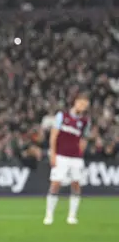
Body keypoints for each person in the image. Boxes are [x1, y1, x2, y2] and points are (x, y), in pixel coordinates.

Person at [44, 94, 90, 225]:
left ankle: (72, 215)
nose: (83, 107)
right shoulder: (62, 116)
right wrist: (53, 153)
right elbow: (54, 135)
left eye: (85, 105)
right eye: (81, 103)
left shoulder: (85, 121)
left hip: (76, 158)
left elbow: (84, 138)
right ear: (75, 102)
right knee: (55, 183)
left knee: (76, 184)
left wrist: (81, 151)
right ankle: (49, 215)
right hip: (61, 155)